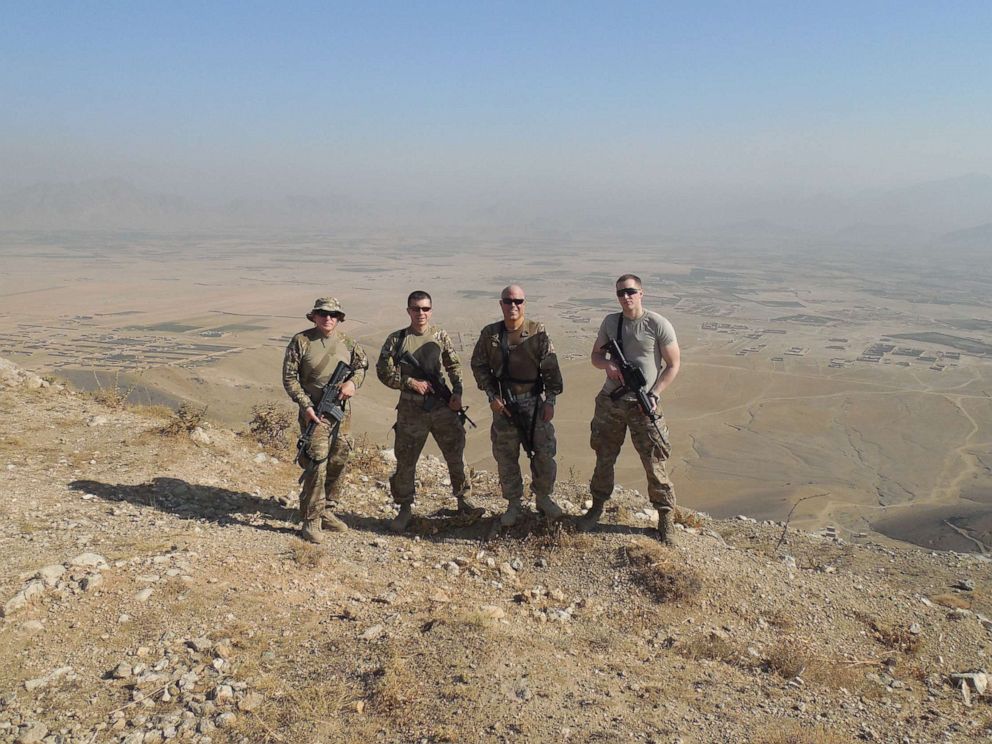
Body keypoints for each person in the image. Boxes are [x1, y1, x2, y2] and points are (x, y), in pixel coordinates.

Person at [579, 274, 681, 543]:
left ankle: (665, 519)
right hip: (611, 401)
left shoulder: (657, 324)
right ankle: (597, 507)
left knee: (655, 462)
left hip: (642, 405)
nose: (626, 297)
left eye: (630, 292)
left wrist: (655, 393)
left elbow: (673, 365)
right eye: (621, 293)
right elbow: (596, 356)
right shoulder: (611, 322)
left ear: (641, 293)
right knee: (604, 456)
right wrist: (608, 365)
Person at [377, 290, 483, 532]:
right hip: (411, 409)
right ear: (408, 311)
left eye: (425, 308)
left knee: (456, 454)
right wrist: (409, 383)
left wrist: (456, 391)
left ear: (431, 311)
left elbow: (453, 364)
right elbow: (383, 371)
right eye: (416, 308)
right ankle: (404, 508)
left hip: (441, 406)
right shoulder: (397, 339)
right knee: (406, 461)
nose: (421, 313)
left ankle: (463, 500)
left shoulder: (440, 336)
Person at [470, 284, 564, 527]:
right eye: (508, 301)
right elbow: (478, 365)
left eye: (518, 301)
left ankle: (543, 498)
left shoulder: (536, 332)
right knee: (506, 457)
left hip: (534, 405)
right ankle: (514, 504)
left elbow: (551, 369)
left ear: (524, 303)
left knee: (544, 455)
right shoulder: (490, 335)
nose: (513, 306)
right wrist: (492, 395)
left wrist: (550, 401)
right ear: (501, 304)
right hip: (505, 408)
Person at [282, 297, 368, 543]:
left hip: (341, 411)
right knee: (317, 461)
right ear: (314, 316)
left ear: (339, 318)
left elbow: (362, 366)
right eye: (322, 313)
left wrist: (353, 383)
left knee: (340, 457)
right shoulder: (301, 341)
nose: (328, 318)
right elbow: (290, 379)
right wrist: (306, 405)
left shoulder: (348, 342)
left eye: (333, 314)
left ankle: (328, 509)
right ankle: (311, 518)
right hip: (315, 414)